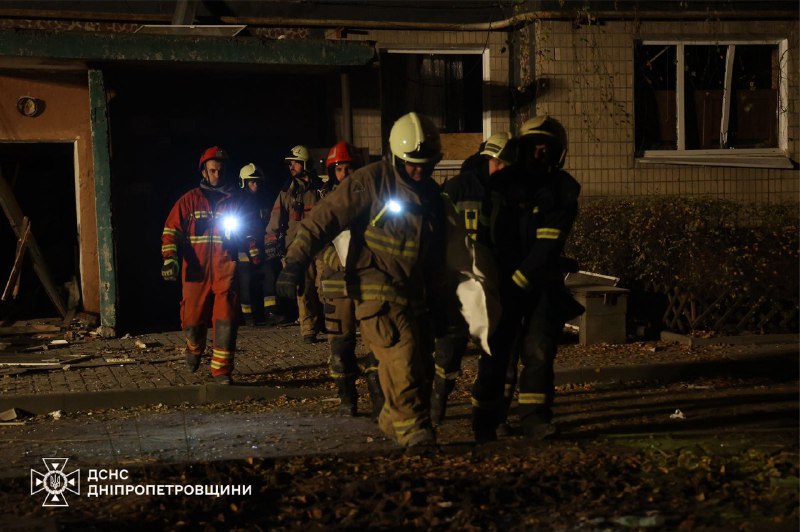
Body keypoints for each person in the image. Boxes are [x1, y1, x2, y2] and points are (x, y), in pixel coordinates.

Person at [275, 112, 450, 447]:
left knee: (423, 363)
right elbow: (322, 220)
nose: (418, 171)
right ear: (396, 156)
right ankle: (414, 432)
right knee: (402, 352)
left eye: (426, 165)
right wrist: (294, 262)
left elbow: (436, 254)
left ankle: (393, 418)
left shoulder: (430, 195)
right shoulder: (371, 181)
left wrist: (441, 301)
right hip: (375, 286)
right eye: (411, 164)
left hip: (413, 291)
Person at [471, 116, 584, 441]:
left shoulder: (563, 191)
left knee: (538, 352)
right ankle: (487, 420)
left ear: (557, 152)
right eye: (533, 146)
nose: (539, 153)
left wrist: (517, 281)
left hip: (538, 286)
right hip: (503, 282)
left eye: (546, 147)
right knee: (496, 355)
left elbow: (546, 247)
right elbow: (487, 234)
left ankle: (534, 419)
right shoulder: (503, 183)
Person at [430, 132, 517, 426]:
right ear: (486, 158)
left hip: (493, 285)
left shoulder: (506, 194)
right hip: (458, 285)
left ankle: (490, 420)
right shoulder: (456, 188)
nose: (503, 169)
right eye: (498, 162)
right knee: (448, 353)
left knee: (495, 355)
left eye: (507, 164)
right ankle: (434, 412)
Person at [161, 146, 250, 385]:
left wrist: (252, 248)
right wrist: (170, 258)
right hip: (195, 272)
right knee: (191, 320)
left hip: (225, 269)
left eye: (220, 171)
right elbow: (171, 231)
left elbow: (249, 230)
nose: (217, 176)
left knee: (226, 320)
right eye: (212, 171)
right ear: (204, 171)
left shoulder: (235, 202)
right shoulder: (189, 201)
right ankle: (194, 346)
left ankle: (222, 371)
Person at [317, 140, 384, 417]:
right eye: (339, 169)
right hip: (336, 284)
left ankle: (380, 400)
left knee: (378, 346)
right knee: (340, 347)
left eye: (349, 168)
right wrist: (334, 260)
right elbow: (315, 238)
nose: (344, 174)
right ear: (333, 172)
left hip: (368, 283)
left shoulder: (373, 199)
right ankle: (348, 399)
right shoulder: (325, 202)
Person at [264, 145, 325, 342]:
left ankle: (328, 322)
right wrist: (271, 241)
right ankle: (308, 329)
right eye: (290, 163)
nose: (291, 166)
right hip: (297, 247)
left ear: (305, 164)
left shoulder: (321, 189)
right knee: (303, 288)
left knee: (324, 286)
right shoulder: (286, 192)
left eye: (295, 163)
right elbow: (276, 218)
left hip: (321, 246)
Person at [236, 163, 271, 326]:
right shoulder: (236, 203)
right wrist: (249, 245)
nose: (255, 185)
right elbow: (235, 228)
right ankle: (248, 317)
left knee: (269, 276)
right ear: (243, 183)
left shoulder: (264, 201)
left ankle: (271, 312)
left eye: (257, 181)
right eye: (251, 182)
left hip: (263, 246)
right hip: (243, 248)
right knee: (246, 280)